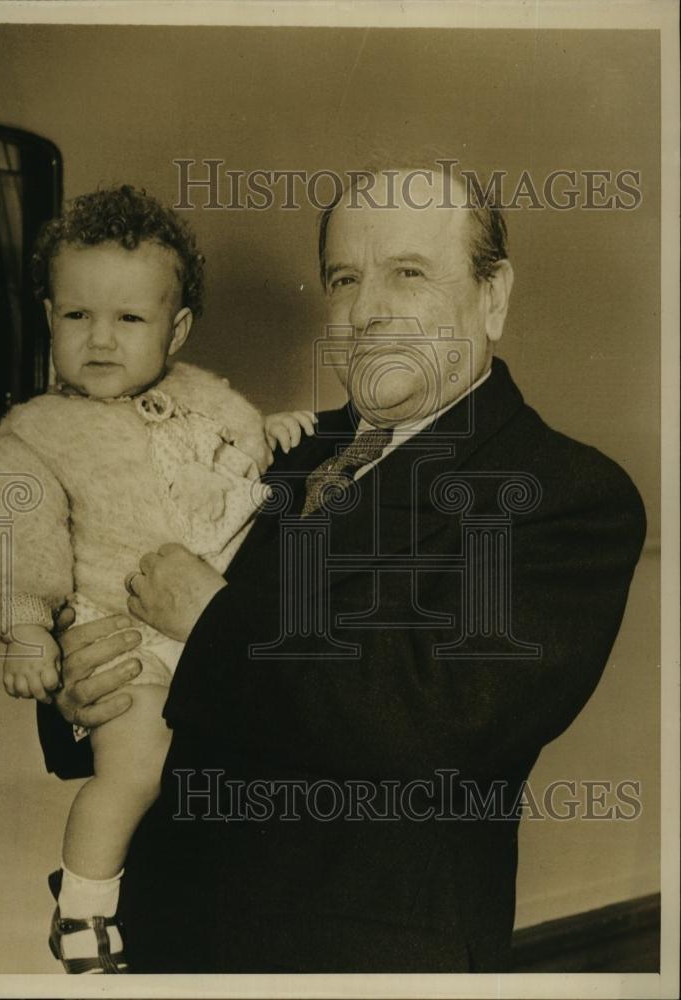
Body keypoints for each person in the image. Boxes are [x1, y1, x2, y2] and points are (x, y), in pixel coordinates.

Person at [37, 163, 647, 972]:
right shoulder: (265, 453)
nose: (367, 312)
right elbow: (139, 615)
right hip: (169, 937)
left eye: (408, 274)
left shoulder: (565, 493)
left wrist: (212, 620)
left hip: (357, 959)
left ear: (493, 295)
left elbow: (438, 724)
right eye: (345, 279)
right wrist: (84, 686)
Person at [0, 185, 314, 973]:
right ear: (48, 317)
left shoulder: (205, 397)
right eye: (76, 316)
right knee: (135, 771)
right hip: (122, 637)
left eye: (129, 319)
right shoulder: (38, 432)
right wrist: (26, 627)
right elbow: (15, 537)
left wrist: (272, 431)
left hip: (217, 623)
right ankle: (85, 912)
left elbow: (239, 463)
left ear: (176, 329)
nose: (100, 339)